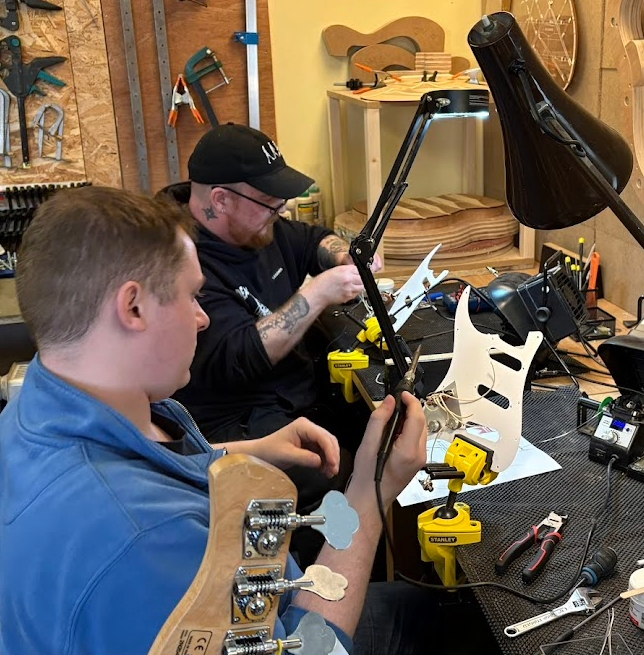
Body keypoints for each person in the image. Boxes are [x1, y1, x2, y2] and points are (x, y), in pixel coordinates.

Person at [0, 187, 431, 654]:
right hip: (285, 627)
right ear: (133, 308)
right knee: (426, 615)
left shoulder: (36, 403)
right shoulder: (145, 543)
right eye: (192, 296)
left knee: (407, 604)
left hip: (250, 597)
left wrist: (243, 451)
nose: (204, 319)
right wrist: (370, 490)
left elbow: (146, 462)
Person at [163, 123, 382, 445]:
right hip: (237, 420)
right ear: (221, 200)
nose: (282, 209)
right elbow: (240, 356)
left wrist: (343, 256)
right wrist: (317, 293)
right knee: (335, 463)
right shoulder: (181, 261)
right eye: (269, 201)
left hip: (294, 392)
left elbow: (312, 241)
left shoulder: (259, 226)